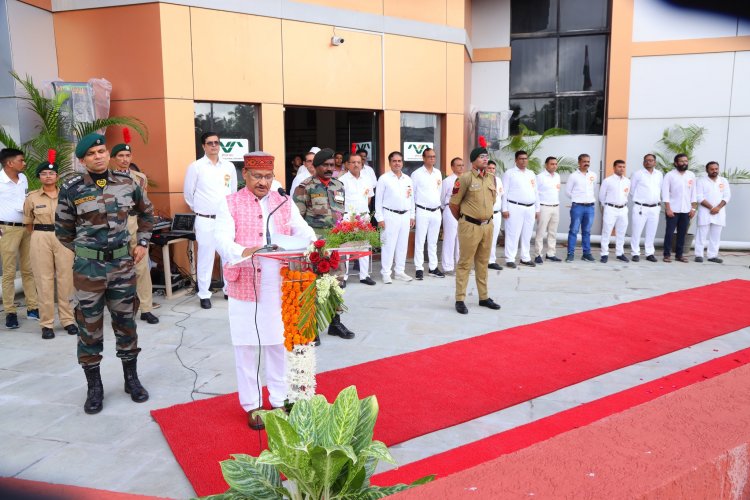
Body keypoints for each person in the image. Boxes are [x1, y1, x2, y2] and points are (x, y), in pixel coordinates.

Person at [215, 152, 316, 430]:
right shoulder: (230, 203)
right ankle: (252, 404)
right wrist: (244, 251)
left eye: (268, 177)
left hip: (278, 283)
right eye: (257, 176)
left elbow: (303, 229)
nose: (263, 182)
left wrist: (315, 245)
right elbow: (221, 239)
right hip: (245, 282)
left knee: (276, 344)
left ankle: (279, 399)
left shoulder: (282, 202)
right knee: (247, 346)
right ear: (245, 175)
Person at [55, 133, 154, 415]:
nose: (98, 156)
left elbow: (147, 214)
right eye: (92, 153)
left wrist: (143, 242)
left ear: (107, 153)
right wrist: (88, 252)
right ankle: (94, 387)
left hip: (122, 267)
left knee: (126, 323)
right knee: (88, 327)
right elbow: (62, 229)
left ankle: (131, 379)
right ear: (83, 159)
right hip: (88, 270)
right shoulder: (72, 188)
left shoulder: (127, 183)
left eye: (101, 151)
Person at [293, 148, 355, 340]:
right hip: (315, 243)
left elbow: (341, 214)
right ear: (316, 166)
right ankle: (312, 326)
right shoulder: (305, 187)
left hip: (335, 242)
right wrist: (308, 243)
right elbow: (297, 219)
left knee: (337, 283)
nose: (329, 169)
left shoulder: (339, 185)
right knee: (314, 284)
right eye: (325, 165)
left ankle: (335, 323)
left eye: (331, 165)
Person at [23, 152, 77, 339]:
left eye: (51, 174)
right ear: (39, 177)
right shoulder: (32, 197)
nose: (48, 176)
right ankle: (46, 324)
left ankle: (68, 320)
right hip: (40, 236)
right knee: (43, 281)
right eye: (44, 173)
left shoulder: (67, 195)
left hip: (63, 237)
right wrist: (40, 235)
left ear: (57, 177)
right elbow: (28, 222)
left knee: (66, 280)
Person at [184, 131, 238, 309]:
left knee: (228, 255)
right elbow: (188, 195)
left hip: (225, 219)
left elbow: (233, 191)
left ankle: (229, 290)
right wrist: (202, 210)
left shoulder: (228, 167)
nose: (214, 145)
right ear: (203, 146)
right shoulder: (196, 167)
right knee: (206, 257)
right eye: (210, 143)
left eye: (216, 142)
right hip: (205, 219)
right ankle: (204, 294)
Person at [110, 131, 159, 324]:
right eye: (120, 156)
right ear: (113, 159)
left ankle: (146, 308)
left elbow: (144, 204)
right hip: (116, 225)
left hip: (135, 223)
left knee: (141, 268)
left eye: (127, 156)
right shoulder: (106, 178)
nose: (124, 159)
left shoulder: (140, 178)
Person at [449, 144, 501, 315]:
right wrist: (465, 220)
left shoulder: (491, 178)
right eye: (481, 157)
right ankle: (460, 299)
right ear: (473, 161)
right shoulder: (464, 178)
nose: (485, 159)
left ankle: (484, 297)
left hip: (488, 225)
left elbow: (492, 201)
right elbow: (454, 204)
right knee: (465, 263)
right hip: (469, 226)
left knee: (483, 263)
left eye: (486, 156)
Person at [0, 148, 38, 330]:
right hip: (6, 229)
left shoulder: (22, 179)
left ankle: (33, 307)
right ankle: (10, 312)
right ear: (9, 163)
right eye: (21, 160)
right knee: (8, 272)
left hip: (26, 227)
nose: (24, 163)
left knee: (28, 269)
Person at [374, 151, 415, 284]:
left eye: (399, 161)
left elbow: (411, 199)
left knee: (402, 245)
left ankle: (399, 271)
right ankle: (386, 273)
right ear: (390, 162)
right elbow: (378, 200)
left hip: (405, 215)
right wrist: (380, 218)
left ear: (402, 162)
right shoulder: (384, 178)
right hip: (389, 215)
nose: (397, 163)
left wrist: (412, 215)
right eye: (394, 161)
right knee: (388, 245)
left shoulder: (408, 179)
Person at [338, 153, 376, 285]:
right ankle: (343, 278)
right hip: (348, 217)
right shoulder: (342, 180)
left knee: (364, 246)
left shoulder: (367, 179)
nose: (356, 165)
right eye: (353, 162)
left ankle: (364, 276)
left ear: (362, 164)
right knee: (345, 249)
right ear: (347, 164)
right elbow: (339, 201)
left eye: (358, 162)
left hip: (363, 216)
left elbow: (369, 197)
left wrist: (363, 212)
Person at [501, 150, 540, 268]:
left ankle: (525, 257)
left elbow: (536, 192)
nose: (524, 161)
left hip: (530, 207)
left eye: (526, 158)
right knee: (513, 233)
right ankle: (510, 258)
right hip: (514, 207)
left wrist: (537, 209)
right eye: (521, 159)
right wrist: (504, 208)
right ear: (516, 160)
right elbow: (504, 192)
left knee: (527, 234)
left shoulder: (531, 173)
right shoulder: (510, 173)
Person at [411, 147, 445, 280]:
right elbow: (412, 195)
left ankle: (433, 267)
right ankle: (419, 268)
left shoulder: (438, 173)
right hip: (422, 210)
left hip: (436, 211)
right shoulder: (416, 174)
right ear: (423, 158)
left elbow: (439, 192)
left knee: (433, 241)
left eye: (434, 156)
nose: (432, 159)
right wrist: (413, 214)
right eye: (429, 156)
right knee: (420, 240)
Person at [661, 153, 697, 263]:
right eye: (681, 161)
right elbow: (665, 192)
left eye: (686, 161)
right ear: (676, 163)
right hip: (673, 210)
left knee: (682, 233)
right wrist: (668, 208)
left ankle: (679, 255)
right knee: (669, 233)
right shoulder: (670, 175)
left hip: (686, 210)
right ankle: (667, 254)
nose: (684, 163)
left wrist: (693, 208)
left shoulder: (691, 175)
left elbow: (693, 192)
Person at [629, 153, 663, 262]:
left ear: (655, 162)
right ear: (643, 162)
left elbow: (660, 189)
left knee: (651, 232)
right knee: (637, 231)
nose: (649, 162)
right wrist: (642, 199)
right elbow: (632, 190)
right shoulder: (637, 174)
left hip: (655, 208)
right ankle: (635, 253)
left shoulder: (659, 174)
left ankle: (649, 253)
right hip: (641, 207)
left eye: (651, 160)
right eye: (646, 160)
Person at [694, 161, 730, 263]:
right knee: (701, 234)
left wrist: (718, 208)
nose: (714, 171)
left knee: (716, 235)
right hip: (705, 211)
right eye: (712, 169)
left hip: (719, 212)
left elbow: (727, 196)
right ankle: (698, 255)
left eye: (716, 169)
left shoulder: (723, 181)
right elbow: (699, 197)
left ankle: (712, 255)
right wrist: (711, 208)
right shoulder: (701, 181)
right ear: (707, 170)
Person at [565, 154, 597, 262]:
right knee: (574, 230)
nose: (586, 163)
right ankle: (570, 254)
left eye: (588, 161)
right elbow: (568, 192)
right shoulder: (573, 176)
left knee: (587, 231)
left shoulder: (593, 175)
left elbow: (594, 188)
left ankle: (586, 254)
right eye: (584, 161)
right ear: (579, 162)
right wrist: (577, 198)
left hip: (590, 207)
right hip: (577, 207)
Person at [599, 160, 631, 263]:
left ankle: (619, 253)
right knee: (606, 232)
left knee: (621, 232)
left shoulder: (627, 181)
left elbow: (626, 194)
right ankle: (604, 254)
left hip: (623, 209)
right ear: (614, 167)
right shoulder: (607, 181)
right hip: (610, 209)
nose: (621, 169)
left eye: (623, 167)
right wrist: (608, 206)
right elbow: (601, 196)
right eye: (619, 167)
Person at [534, 157, 562, 263]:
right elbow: (535, 193)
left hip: (556, 207)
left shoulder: (557, 176)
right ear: (546, 165)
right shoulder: (540, 177)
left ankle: (551, 254)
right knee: (541, 232)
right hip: (544, 207)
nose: (554, 166)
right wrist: (537, 209)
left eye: (555, 164)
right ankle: (538, 254)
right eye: (552, 164)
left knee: (553, 232)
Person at [440, 157, 464, 275]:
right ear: (452, 167)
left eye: (462, 165)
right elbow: (442, 198)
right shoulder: (447, 181)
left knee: (462, 239)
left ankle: (461, 266)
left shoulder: (466, 180)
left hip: (464, 211)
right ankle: (448, 266)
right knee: (450, 239)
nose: (461, 167)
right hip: (450, 209)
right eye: (458, 165)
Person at [486, 160, 505, 270]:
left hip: (497, 213)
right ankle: (482, 261)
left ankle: (491, 260)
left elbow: (501, 196)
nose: (491, 170)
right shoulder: (482, 179)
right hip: (486, 214)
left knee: (493, 238)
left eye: (493, 168)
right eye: (489, 168)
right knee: (484, 239)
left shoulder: (498, 180)